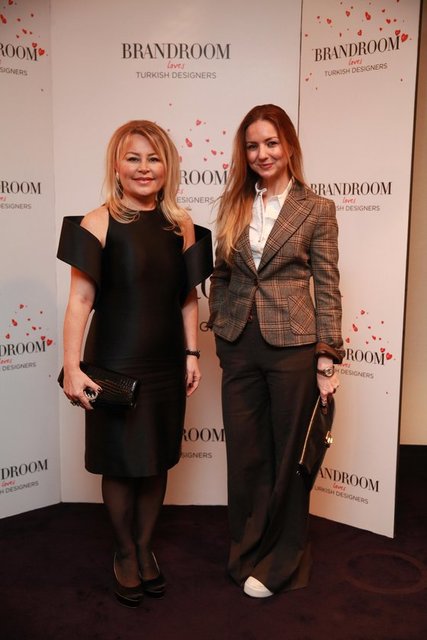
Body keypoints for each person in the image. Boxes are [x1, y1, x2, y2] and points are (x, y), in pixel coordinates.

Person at [57, 120, 212, 607]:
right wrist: (73, 367)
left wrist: (191, 353)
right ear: (117, 166)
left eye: (154, 158)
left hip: (165, 361)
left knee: (155, 459)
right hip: (114, 361)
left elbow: (187, 297)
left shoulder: (180, 225)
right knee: (121, 464)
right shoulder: (98, 221)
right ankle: (124, 551)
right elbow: (80, 301)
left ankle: (146, 548)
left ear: (168, 166)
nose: (144, 168)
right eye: (133, 158)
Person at [208, 104, 344, 598]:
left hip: (293, 348)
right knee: (245, 456)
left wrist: (327, 355)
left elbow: (326, 284)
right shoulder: (234, 204)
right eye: (252, 145)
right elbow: (221, 274)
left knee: (289, 457)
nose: (262, 153)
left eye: (271, 143)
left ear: (288, 146)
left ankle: (282, 561)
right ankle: (246, 551)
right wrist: (222, 328)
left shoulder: (317, 208)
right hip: (239, 346)